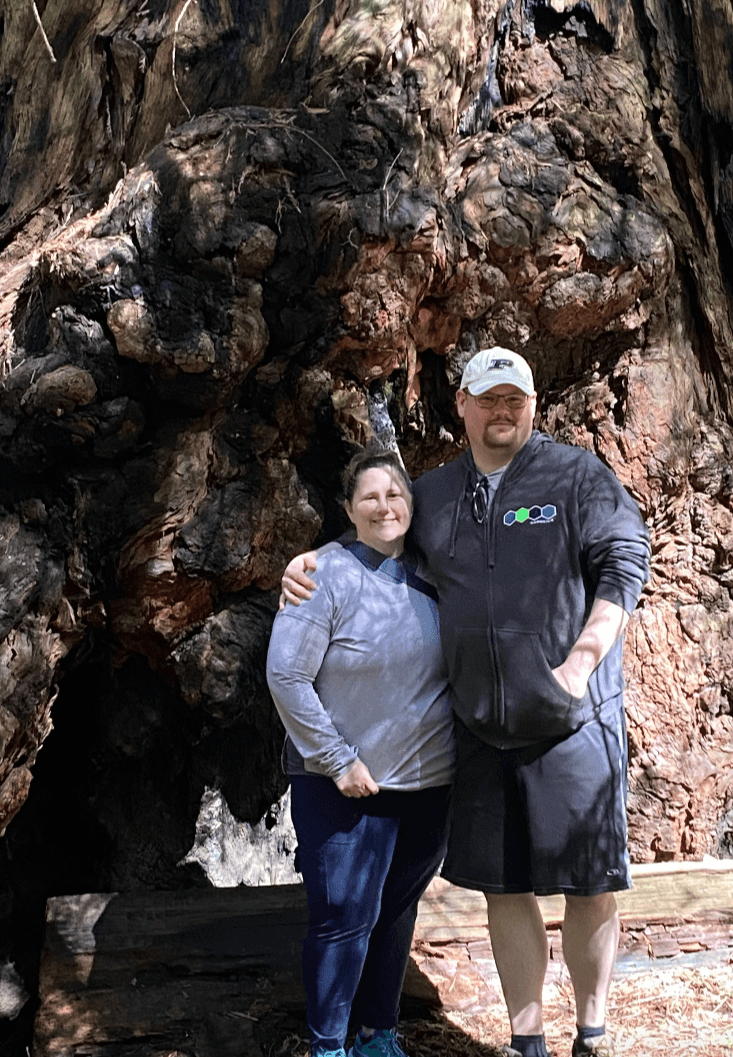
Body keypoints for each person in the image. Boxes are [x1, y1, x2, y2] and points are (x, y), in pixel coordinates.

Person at [283, 348, 652, 1057]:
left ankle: (593, 1030)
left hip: (574, 724)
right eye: (488, 397)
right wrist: (308, 561)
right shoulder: (435, 495)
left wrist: (582, 658)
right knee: (504, 887)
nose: (502, 410)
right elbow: (378, 535)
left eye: (515, 396)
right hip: (479, 732)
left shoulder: (575, 477)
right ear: (462, 405)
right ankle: (526, 1039)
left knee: (589, 884)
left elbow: (623, 564)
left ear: (534, 403)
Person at [266, 447, 454, 1057]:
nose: (384, 505)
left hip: (428, 789)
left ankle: (378, 1034)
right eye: (369, 496)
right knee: (343, 917)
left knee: (395, 912)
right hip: (344, 785)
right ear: (348, 508)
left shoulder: (437, 572)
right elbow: (286, 678)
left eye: (395, 494)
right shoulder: (323, 574)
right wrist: (338, 759)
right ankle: (327, 1045)